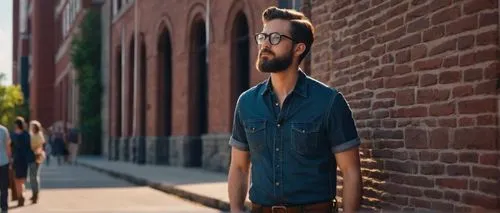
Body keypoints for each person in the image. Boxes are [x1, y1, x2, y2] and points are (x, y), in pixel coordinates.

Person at [228, 7, 362, 213]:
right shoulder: (246, 103)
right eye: (263, 36)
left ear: (298, 48)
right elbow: (238, 166)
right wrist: (236, 209)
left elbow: (350, 170)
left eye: (274, 38)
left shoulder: (329, 102)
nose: (264, 43)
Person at [11, 117, 35, 206]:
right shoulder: (24, 134)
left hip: (19, 159)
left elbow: (12, 147)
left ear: (17, 125)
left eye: (15, 124)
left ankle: (21, 196)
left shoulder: (17, 135)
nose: (14, 126)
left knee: (19, 180)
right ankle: (20, 197)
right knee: (19, 179)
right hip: (20, 159)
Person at [28, 120, 45, 203]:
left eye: (32, 126)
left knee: (34, 176)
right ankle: (34, 193)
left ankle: (36, 194)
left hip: (37, 157)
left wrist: (35, 152)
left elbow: (40, 147)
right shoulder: (31, 135)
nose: (31, 127)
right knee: (32, 176)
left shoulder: (38, 135)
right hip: (31, 156)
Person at [0, 124, 11, 213]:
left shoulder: (3, 130)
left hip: (3, 162)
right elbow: (8, 147)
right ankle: (4, 208)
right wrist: (10, 159)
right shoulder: (4, 130)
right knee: (4, 187)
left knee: (4, 187)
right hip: (4, 162)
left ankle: (4, 207)